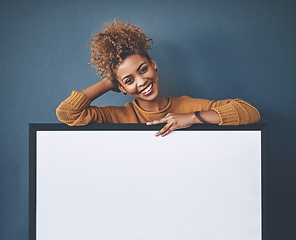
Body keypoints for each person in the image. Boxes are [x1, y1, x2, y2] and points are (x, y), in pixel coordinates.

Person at [56, 19, 260, 137]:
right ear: (121, 87)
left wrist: (190, 119)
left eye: (143, 69)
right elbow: (68, 113)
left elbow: (249, 112)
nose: (142, 81)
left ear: (153, 64)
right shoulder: (117, 117)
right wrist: (110, 82)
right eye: (129, 80)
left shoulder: (189, 106)